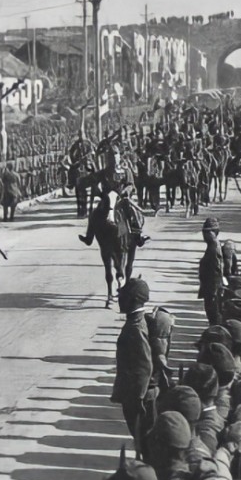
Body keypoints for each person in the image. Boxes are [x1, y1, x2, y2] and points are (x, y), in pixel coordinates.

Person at [111, 278, 155, 453]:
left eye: (123, 296)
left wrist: (138, 399)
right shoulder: (137, 322)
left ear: (132, 299)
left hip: (136, 397)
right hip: (135, 394)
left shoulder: (135, 328)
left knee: (142, 443)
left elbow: (145, 366)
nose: (120, 299)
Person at [77, 145, 150, 247]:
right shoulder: (103, 173)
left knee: (133, 212)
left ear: (119, 157)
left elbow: (131, 184)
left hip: (122, 199)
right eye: (111, 156)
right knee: (94, 214)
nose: (114, 159)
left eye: (116, 156)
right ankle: (89, 237)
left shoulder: (125, 171)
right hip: (106, 199)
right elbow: (91, 180)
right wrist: (83, 182)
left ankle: (138, 237)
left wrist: (126, 191)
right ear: (108, 158)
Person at [198, 217, 225, 326]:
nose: (204, 235)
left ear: (215, 232)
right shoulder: (212, 245)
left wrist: (214, 290)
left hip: (212, 287)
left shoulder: (214, 247)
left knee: (214, 313)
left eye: (207, 232)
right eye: (204, 232)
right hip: (209, 286)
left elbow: (218, 270)